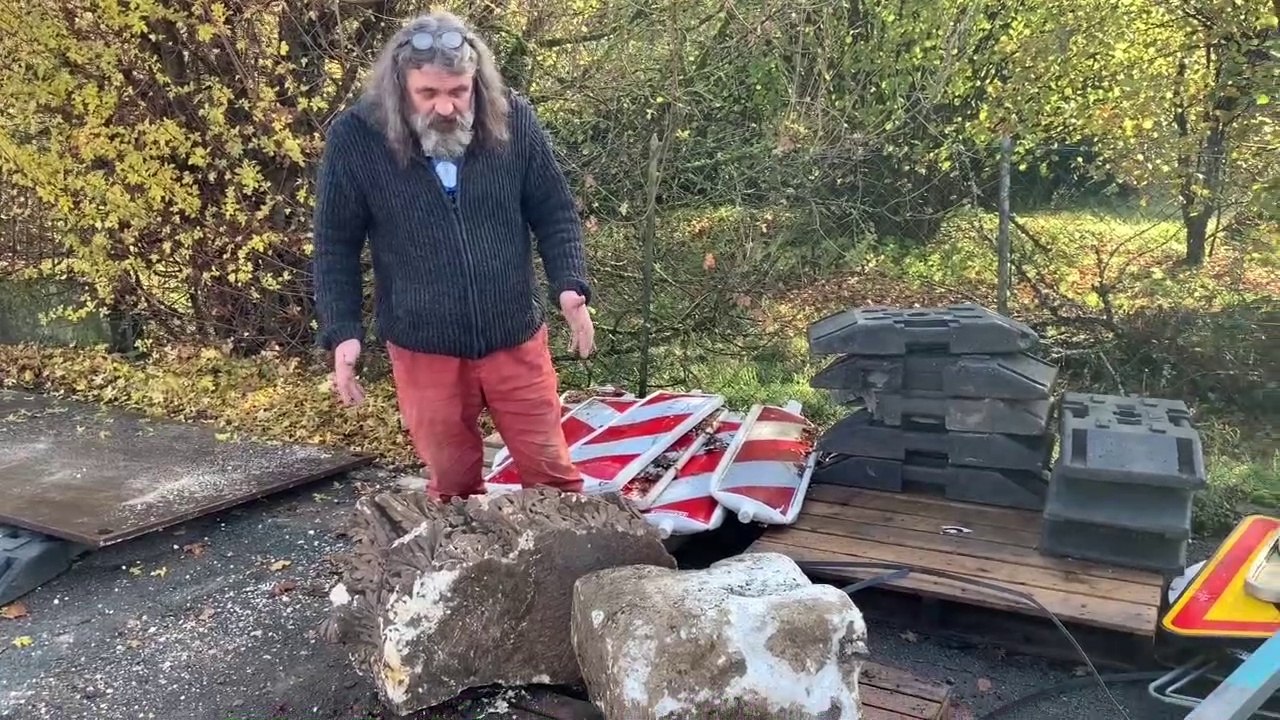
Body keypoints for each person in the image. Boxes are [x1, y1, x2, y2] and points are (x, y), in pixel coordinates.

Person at [310, 11, 594, 502]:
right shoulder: (356, 138)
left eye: (459, 91)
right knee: (454, 486)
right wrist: (343, 331)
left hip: (515, 336)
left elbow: (555, 212)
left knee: (554, 481)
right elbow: (335, 245)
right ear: (400, 87)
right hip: (424, 346)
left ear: (476, 83)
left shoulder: (513, 120)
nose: (446, 106)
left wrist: (569, 285)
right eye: (429, 94)